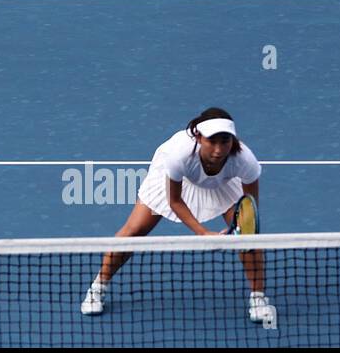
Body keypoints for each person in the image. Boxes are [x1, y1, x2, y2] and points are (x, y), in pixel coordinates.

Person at [80, 107, 274, 324]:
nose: (219, 150)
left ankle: (258, 297)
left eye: (225, 141)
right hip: (178, 182)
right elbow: (175, 201)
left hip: (223, 185)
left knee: (251, 241)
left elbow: (249, 207)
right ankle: (98, 286)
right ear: (199, 138)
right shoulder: (179, 156)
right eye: (213, 141)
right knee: (134, 231)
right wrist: (202, 233)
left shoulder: (245, 160)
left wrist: (239, 229)